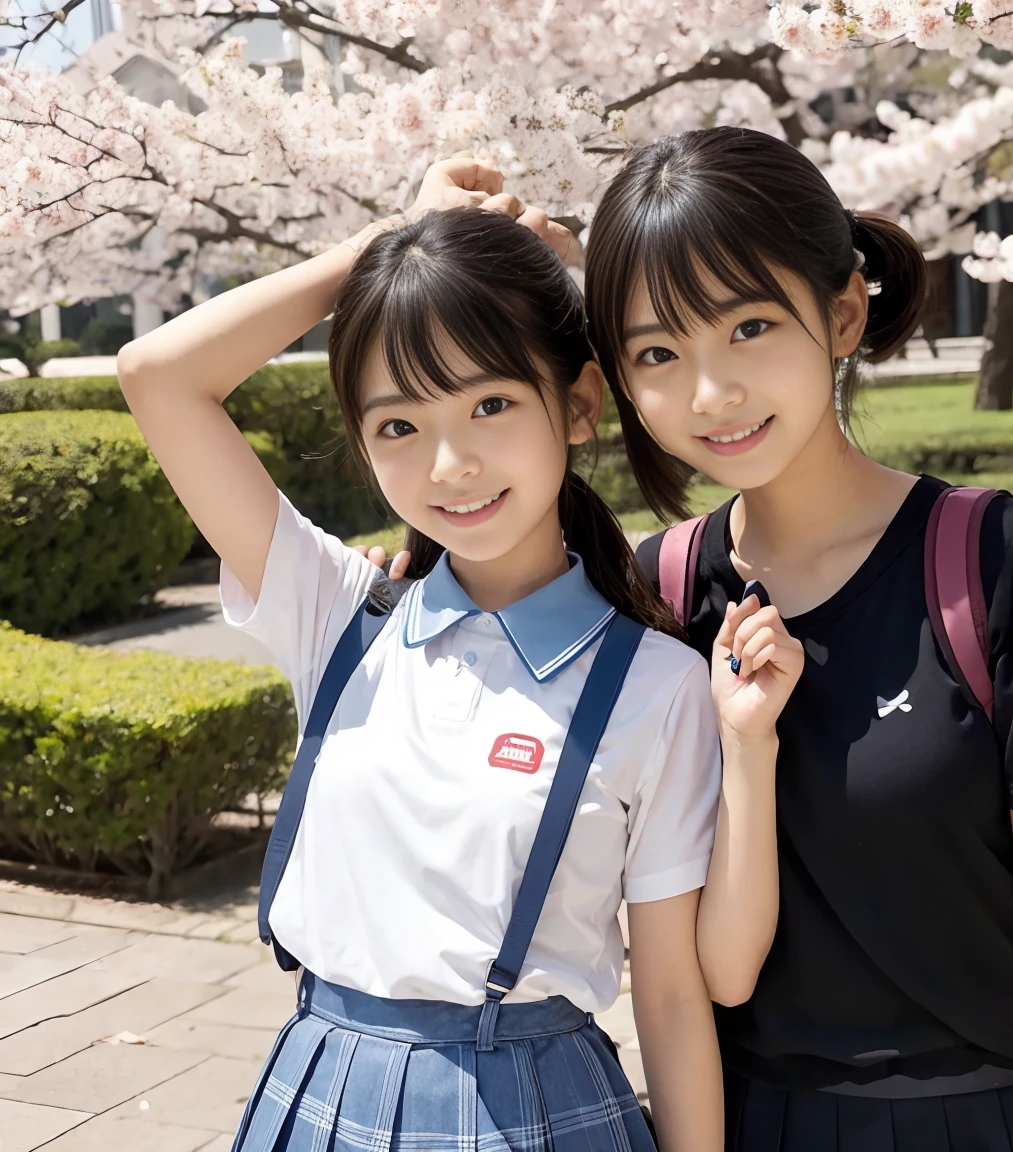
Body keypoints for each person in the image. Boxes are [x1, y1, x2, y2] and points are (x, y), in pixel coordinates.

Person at [115, 156, 791, 1152]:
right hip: (318, 1087)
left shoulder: (655, 685)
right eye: (398, 424)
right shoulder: (338, 613)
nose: (450, 464)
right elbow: (158, 375)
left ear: (577, 404)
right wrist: (385, 248)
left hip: (540, 1106)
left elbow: (674, 997)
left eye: (490, 405)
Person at [570, 126, 1013, 1152]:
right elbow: (704, 964)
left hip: (1000, 1118)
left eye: (750, 327)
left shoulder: (989, 555)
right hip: (765, 1121)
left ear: (843, 312)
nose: (711, 393)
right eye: (658, 352)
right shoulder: (662, 592)